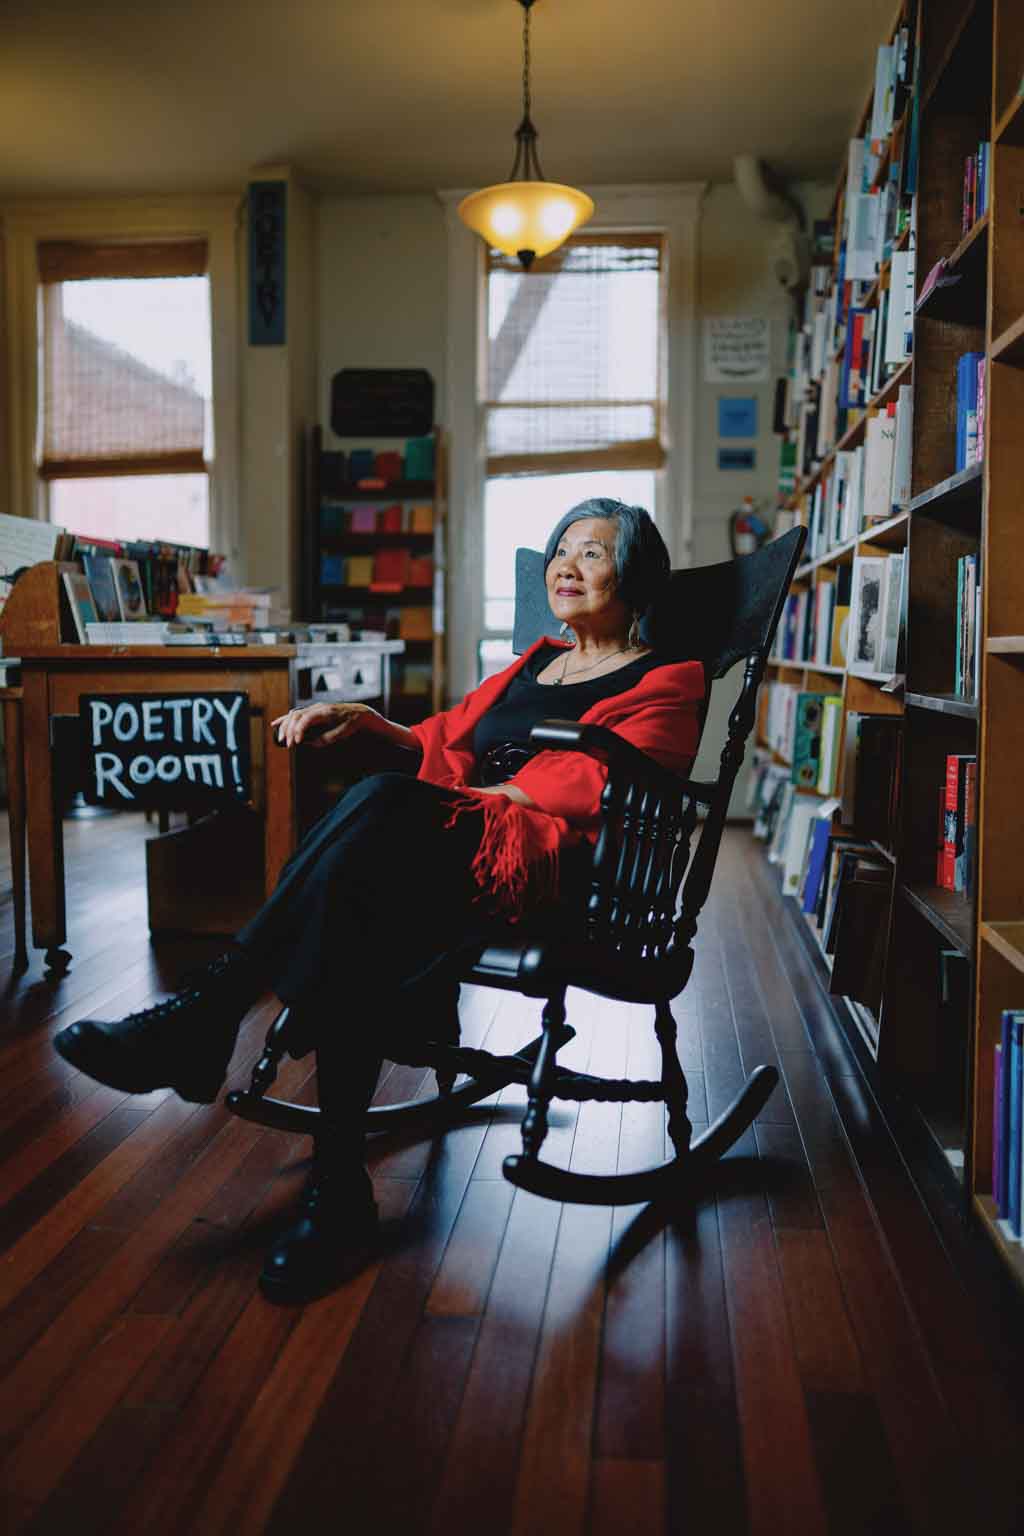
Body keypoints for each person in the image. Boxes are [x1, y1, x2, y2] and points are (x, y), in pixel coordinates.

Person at [54, 499, 705, 1302]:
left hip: (553, 871)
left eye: (593, 552)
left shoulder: (667, 678)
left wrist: (469, 802)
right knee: (360, 899)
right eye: (560, 549)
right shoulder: (536, 661)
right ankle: (335, 1187)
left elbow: (598, 780)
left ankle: (208, 1016)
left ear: (633, 576)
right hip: (462, 847)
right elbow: (449, 736)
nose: (566, 565)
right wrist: (369, 722)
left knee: (382, 813)